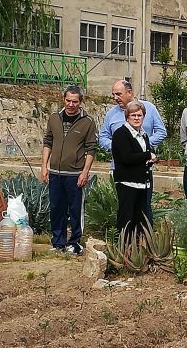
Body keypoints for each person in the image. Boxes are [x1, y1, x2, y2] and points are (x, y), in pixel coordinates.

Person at [98, 80, 167, 222]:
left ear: (129, 92)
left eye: (118, 94)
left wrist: (142, 148)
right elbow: (103, 136)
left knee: (143, 210)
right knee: (125, 211)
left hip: (143, 171)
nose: (115, 98)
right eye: (113, 95)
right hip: (122, 171)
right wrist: (119, 147)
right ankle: (125, 242)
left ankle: (143, 242)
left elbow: (161, 132)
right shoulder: (112, 113)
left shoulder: (149, 108)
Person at [41, 85, 97, 254]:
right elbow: (48, 142)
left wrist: (85, 172)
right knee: (56, 208)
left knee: (75, 209)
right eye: (68, 100)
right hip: (56, 173)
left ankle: (75, 243)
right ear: (63, 99)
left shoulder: (88, 122)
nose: (71, 105)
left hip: (74, 175)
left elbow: (91, 149)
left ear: (81, 102)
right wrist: (44, 166)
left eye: (75, 101)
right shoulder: (54, 119)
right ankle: (58, 243)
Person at [111, 101, 156, 245]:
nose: (136, 118)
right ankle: (123, 249)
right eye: (133, 115)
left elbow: (142, 156)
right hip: (127, 182)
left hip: (142, 183)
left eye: (139, 115)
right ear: (127, 117)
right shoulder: (121, 134)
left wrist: (149, 158)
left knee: (140, 219)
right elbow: (127, 157)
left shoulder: (143, 135)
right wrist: (148, 155)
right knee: (126, 219)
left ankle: (138, 249)